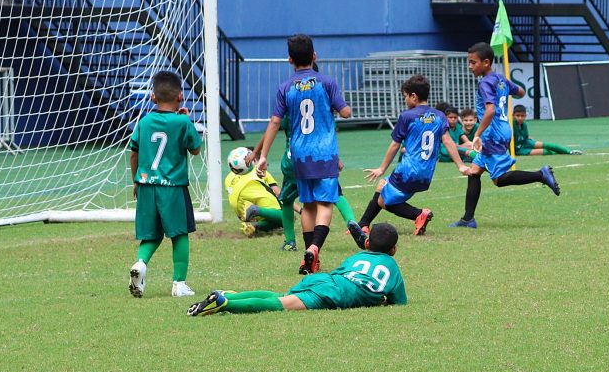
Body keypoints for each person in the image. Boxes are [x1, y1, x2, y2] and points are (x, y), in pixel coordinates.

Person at [255, 34, 356, 275]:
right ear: (314, 56)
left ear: (290, 60)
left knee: (308, 204)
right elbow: (345, 113)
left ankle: (310, 257)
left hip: (299, 154)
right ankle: (314, 248)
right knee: (326, 203)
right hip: (324, 153)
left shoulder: (285, 87)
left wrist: (263, 155)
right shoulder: (326, 83)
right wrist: (342, 106)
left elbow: (274, 122)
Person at [449, 42, 561, 229]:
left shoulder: (485, 83)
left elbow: (490, 110)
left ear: (486, 62)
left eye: (473, 62)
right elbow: (521, 92)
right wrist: (507, 94)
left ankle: (540, 175)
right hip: (503, 128)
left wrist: (477, 134)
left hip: (492, 132)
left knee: (499, 179)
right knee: (475, 171)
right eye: (469, 62)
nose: (470, 66)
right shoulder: (500, 79)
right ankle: (468, 218)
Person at [187, 223, 406, 316]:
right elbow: (399, 302)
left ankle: (228, 295)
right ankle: (225, 303)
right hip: (334, 294)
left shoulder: (357, 256)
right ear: (393, 250)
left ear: (367, 244)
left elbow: (342, 272)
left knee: (281, 296)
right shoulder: (392, 268)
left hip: (325, 280)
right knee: (280, 305)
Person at [359, 75, 470, 236]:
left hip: (408, 170)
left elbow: (395, 144)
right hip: (426, 174)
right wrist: (460, 165)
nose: (404, 100)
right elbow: (448, 141)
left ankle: (418, 214)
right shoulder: (439, 116)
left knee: (383, 200)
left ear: (413, 96)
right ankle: (363, 225)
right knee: (382, 185)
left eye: (405, 96)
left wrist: (382, 167)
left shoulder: (407, 116)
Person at [126, 71, 202, 298]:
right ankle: (179, 284)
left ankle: (140, 263)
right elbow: (196, 149)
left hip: (147, 185)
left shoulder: (145, 121)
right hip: (173, 187)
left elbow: (134, 153)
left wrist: (136, 181)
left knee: (150, 234)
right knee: (179, 234)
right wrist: (186, 120)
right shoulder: (182, 121)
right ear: (180, 96)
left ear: (152, 97)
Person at [247, 110, 360, 252]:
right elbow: (327, 133)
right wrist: (335, 158)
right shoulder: (317, 105)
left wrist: (257, 152)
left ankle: (290, 241)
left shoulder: (290, 106)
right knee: (334, 194)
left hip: (293, 161)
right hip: (317, 158)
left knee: (288, 202)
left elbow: (273, 126)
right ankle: (351, 221)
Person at [225, 147, 288, 238]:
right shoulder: (258, 171)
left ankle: (254, 226)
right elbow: (279, 193)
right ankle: (256, 210)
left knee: (276, 223)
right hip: (256, 208)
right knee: (288, 218)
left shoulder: (228, 178)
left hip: (242, 213)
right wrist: (300, 210)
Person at [512, 105, 581, 156]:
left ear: (525, 116)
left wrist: (528, 138)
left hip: (525, 142)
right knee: (545, 151)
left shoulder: (524, 124)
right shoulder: (511, 124)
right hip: (518, 150)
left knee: (548, 145)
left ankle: (570, 152)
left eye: (522, 116)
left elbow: (525, 136)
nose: (520, 118)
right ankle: (559, 153)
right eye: (517, 116)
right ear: (512, 115)